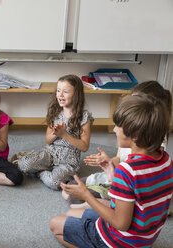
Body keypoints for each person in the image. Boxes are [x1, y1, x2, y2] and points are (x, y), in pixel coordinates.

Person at [50, 95, 173, 248]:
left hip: (117, 241)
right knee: (70, 214)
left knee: (55, 224)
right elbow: (137, 195)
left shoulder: (127, 170)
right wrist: (111, 173)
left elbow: (120, 223)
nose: (114, 129)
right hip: (144, 239)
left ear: (134, 136)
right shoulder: (167, 160)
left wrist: (86, 195)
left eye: (118, 126)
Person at [63, 80, 172, 208]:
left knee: (73, 200)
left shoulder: (153, 145)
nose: (114, 129)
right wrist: (108, 162)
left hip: (127, 184)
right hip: (118, 176)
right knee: (69, 189)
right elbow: (119, 159)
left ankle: (105, 204)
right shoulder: (129, 136)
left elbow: (144, 181)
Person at [16, 74, 93, 190]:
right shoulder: (55, 113)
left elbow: (84, 146)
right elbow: (47, 140)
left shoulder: (84, 118)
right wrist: (54, 134)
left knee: (55, 182)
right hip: (50, 153)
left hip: (68, 161)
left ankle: (39, 172)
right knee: (23, 165)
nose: (60, 95)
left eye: (65, 92)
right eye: (58, 91)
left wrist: (64, 134)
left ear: (76, 95)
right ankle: (40, 165)